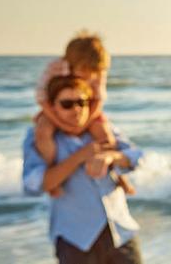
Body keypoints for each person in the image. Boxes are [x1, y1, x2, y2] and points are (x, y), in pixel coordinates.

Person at [23, 76, 145, 264]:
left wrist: (112, 156)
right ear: (52, 107)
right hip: (75, 241)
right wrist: (81, 156)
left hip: (121, 232)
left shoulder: (104, 130)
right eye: (67, 104)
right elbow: (34, 184)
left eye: (82, 102)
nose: (77, 109)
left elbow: (138, 157)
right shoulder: (39, 137)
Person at [33, 31, 135, 196]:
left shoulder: (98, 71)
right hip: (56, 111)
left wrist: (84, 123)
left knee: (106, 138)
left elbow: (99, 100)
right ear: (71, 63)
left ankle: (117, 174)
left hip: (89, 112)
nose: (89, 75)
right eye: (84, 70)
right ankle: (52, 173)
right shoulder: (56, 67)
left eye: (92, 71)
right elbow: (42, 98)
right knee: (42, 132)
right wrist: (62, 124)